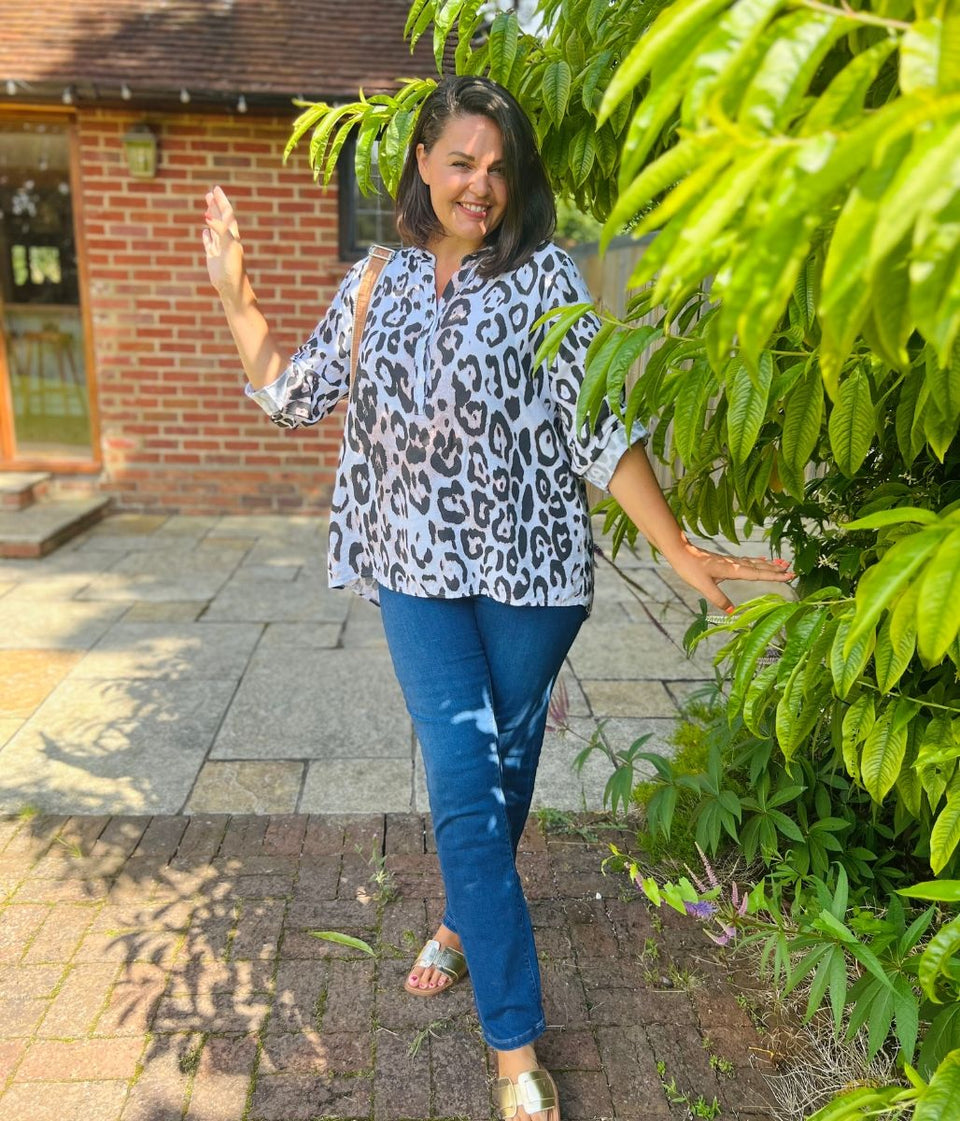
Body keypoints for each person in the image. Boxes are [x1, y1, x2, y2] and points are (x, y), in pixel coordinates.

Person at [203, 75, 793, 1121]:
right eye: (462, 161)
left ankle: (463, 922)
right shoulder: (373, 282)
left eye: (498, 167)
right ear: (423, 163)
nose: (482, 184)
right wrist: (236, 295)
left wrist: (685, 553)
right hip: (417, 579)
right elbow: (296, 398)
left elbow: (599, 430)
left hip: (534, 584)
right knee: (467, 781)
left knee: (504, 768)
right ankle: (515, 1048)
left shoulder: (544, 280)